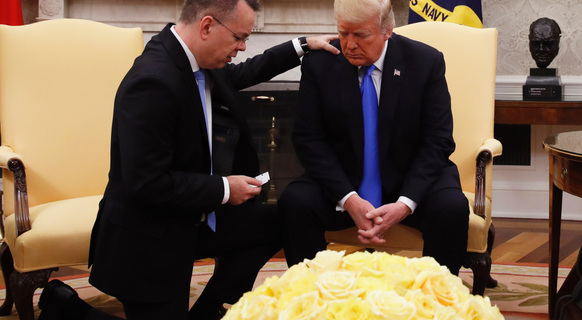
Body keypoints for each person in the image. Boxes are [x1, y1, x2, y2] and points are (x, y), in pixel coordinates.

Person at [36, 0, 338, 319]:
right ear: (207, 26)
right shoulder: (153, 82)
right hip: (148, 239)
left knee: (279, 219)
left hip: (192, 220)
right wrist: (224, 189)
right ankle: (64, 307)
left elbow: (245, 71)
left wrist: (302, 45)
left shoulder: (197, 60)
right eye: (238, 37)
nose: (243, 46)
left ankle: (209, 312)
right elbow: (148, 184)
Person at [278, 0, 469, 276]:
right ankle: (314, 297)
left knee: (451, 208)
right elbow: (309, 139)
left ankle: (435, 301)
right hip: (343, 180)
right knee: (295, 202)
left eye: (361, 35)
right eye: (343, 33)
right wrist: (349, 199)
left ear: (387, 30)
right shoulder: (319, 63)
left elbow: (438, 140)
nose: (349, 44)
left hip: (408, 177)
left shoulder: (425, 62)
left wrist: (405, 204)